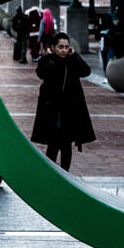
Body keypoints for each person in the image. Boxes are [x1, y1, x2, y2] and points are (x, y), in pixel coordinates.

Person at [30, 32, 94, 170]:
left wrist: (75, 55)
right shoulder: (47, 61)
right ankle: (51, 173)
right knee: (53, 143)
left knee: (66, 144)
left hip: (69, 110)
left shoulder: (72, 61)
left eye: (66, 47)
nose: (64, 50)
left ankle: (65, 173)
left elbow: (86, 71)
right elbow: (41, 73)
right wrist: (49, 56)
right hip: (52, 110)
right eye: (60, 47)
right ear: (53, 47)